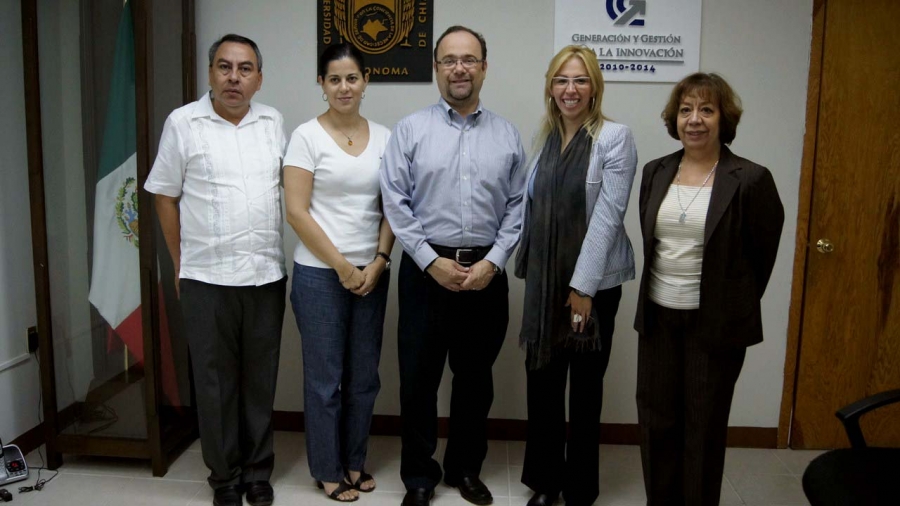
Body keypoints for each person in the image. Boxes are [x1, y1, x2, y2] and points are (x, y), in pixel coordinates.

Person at [380, 25, 527, 506]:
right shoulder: (410, 130)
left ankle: (465, 469)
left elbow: (517, 207)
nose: (459, 67)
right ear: (436, 69)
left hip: (486, 273)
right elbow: (395, 202)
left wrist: (495, 262)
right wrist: (429, 261)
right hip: (426, 274)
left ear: (484, 67)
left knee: (474, 380)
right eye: (449, 60)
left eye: (469, 59)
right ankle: (419, 478)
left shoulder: (507, 135)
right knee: (418, 381)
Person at [145, 34, 286, 506]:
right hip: (206, 276)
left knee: (260, 379)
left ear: (259, 78)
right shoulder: (183, 123)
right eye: (224, 67)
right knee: (214, 381)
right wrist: (181, 263)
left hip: (265, 273)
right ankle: (224, 477)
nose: (234, 77)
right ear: (210, 74)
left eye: (245, 69)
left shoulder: (273, 122)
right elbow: (165, 194)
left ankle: (257, 471)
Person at [634, 72, 784, 506]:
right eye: (685, 110)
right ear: (674, 119)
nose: (694, 120)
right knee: (656, 423)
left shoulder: (751, 179)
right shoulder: (656, 171)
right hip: (659, 318)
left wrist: (730, 305)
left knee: (703, 428)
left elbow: (762, 257)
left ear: (723, 118)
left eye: (706, 110)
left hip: (713, 326)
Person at [513, 45, 638, 506]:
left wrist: (582, 289)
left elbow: (608, 216)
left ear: (594, 88)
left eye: (580, 80)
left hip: (594, 287)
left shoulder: (614, 137)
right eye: (562, 80)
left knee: (585, 393)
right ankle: (547, 483)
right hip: (544, 286)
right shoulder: (544, 139)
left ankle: (581, 489)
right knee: (543, 384)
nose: (571, 89)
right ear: (551, 86)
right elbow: (528, 210)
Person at [282, 42, 394, 503]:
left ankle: (354, 459)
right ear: (322, 84)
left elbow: (395, 208)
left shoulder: (387, 137)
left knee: (364, 377)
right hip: (320, 276)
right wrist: (344, 267)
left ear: (366, 81)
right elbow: (296, 212)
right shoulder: (306, 136)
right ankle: (327, 470)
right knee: (325, 380)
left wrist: (380, 261)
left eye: (352, 78)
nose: (344, 87)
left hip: (373, 273)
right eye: (334, 79)